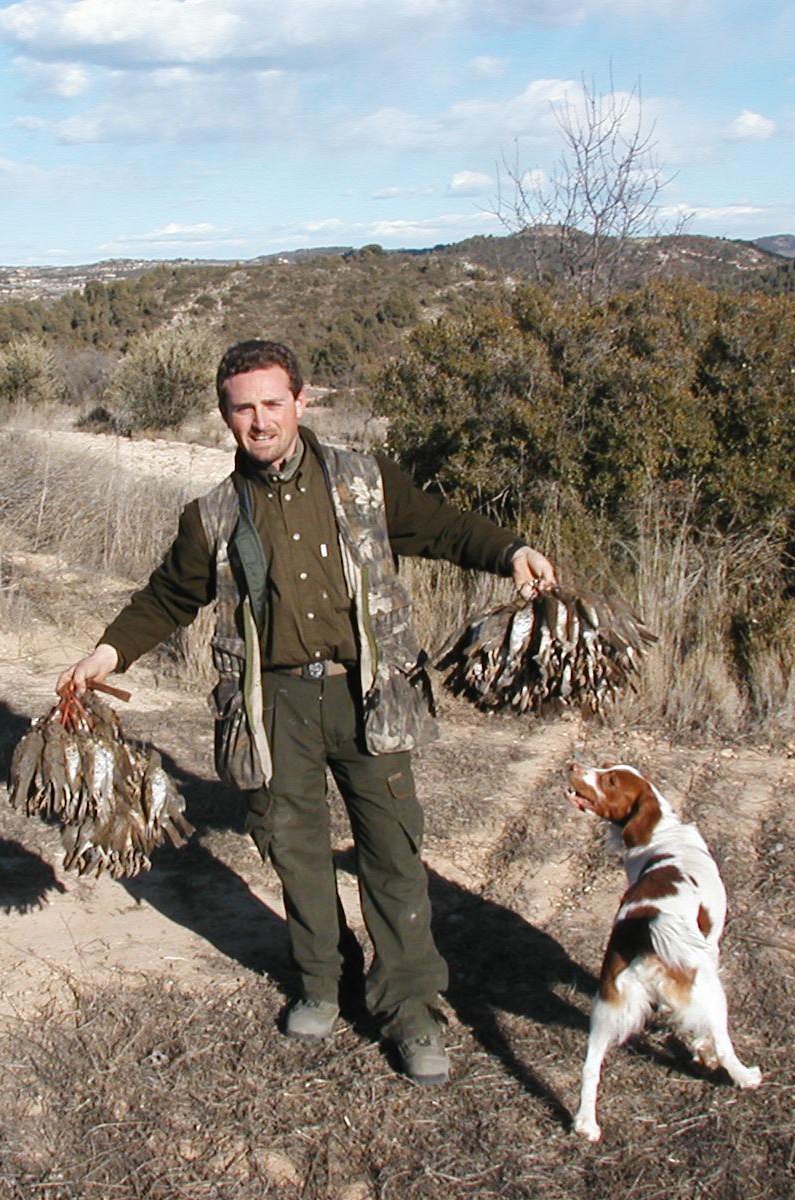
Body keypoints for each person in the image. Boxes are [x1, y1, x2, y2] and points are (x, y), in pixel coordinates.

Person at [59, 339, 556, 1085]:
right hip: (273, 704)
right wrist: (105, 656)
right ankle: (323, 983)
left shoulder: (365, 482)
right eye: (242, 408)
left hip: (370, 694)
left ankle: (410, 1009)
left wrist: (511, 550)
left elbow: (445, 527)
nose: (259, 422)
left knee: (391, 852)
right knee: (292, 848)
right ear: (225, 416)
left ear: (301, 400)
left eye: (271, 403)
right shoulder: (214, 516)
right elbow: (167, 598)